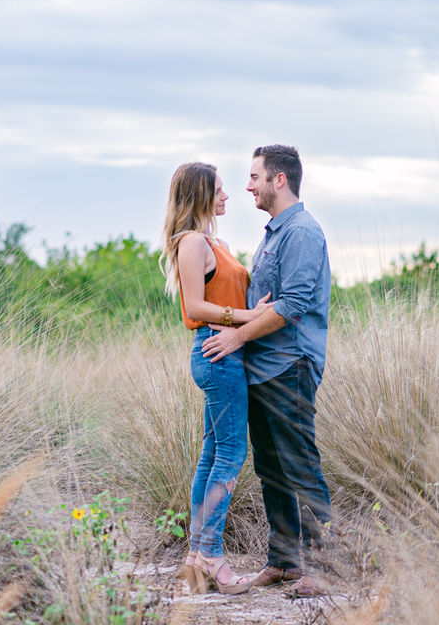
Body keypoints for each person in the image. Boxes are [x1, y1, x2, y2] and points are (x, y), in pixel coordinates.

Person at [201, 145, 333, 599]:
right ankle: (284, 563)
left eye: (255, 176)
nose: (248, 185)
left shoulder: (302, 233)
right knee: (272, 468)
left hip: (289, 364)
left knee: (300, 462)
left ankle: (327, 567)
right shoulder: (274, 234)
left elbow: (294, 305)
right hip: (262, 368)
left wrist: (237, 337)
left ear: (279, 180)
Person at [161, 162, 273, 595]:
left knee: (212, 455)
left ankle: (196, 556)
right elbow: (196, 307)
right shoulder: (190, 242)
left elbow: (223, 292)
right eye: (220, 190)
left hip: (229, 352)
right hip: (215, 351)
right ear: (201, 195)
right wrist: (249, 316)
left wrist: (251, 305)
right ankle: (210, 555)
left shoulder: (216, 242)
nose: (229, 196)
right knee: (230, 453)